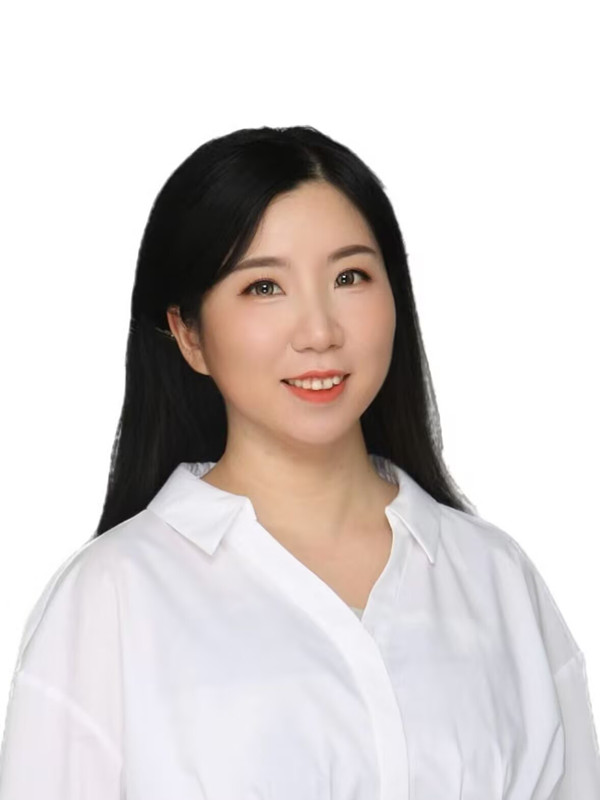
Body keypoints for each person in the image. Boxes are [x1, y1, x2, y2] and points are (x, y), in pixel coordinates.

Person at [0, 125, 598, 799]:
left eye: (349, 277)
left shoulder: (495, 578)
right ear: (189, 334)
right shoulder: (109, 600)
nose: (319, 332)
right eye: (264, 287)